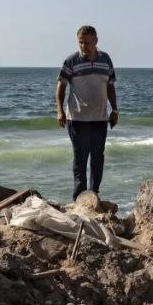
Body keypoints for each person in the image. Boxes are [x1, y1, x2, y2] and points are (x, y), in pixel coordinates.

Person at [55, 25, 118, 200]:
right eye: (81, 42)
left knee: (98, 157)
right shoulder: (71, 61)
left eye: (88, 42)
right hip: (77, 118)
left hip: (100, 118)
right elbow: (61, 87)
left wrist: (115, 109)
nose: (84, 46)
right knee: (80, 159)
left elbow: (110, 86)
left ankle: (94, 194)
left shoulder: (106, 59)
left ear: (96, 41)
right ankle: (79, 197)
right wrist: (59, 111)